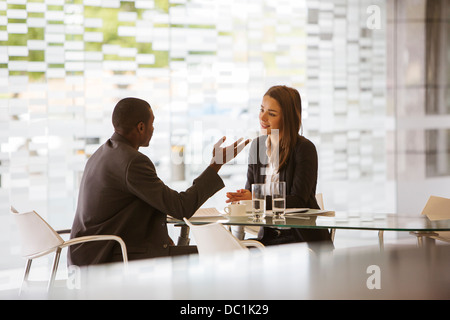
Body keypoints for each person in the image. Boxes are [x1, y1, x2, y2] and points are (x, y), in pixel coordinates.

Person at [68, 97, 250, 266]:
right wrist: (215, 165)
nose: (153, 129)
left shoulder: (103, 153)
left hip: (93, 254)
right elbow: (181, 208)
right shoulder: (132, 162)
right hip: (111, 258)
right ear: (141, 127)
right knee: (223, 254)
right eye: (152, 123)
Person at [226, 85, 332, 246]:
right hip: (268, 238)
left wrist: (254, 198)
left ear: (287, 118)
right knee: (234, 255)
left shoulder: (304, 149)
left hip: (298, 239)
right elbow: (251, 191)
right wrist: (242, 198)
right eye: (262, 110)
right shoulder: (257, 146)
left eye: (272, 114)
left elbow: (298, 200)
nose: (263, 118)